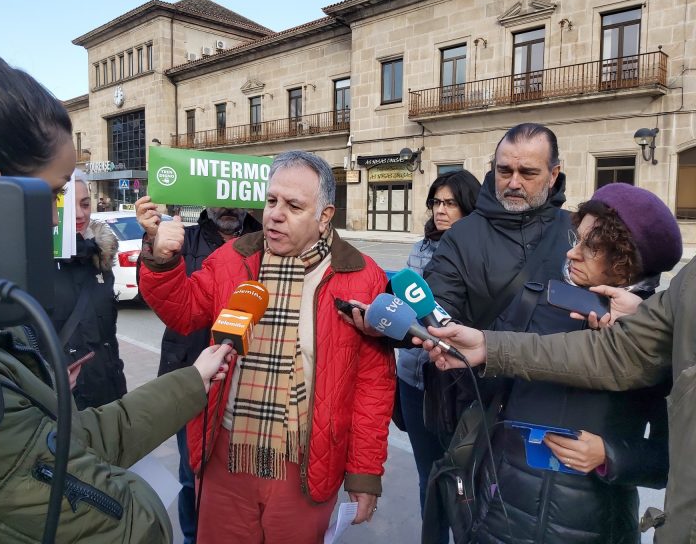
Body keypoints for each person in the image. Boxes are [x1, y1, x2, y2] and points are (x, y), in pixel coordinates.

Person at [0, 53, 232, 543]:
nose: (56, 217)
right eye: (52, 194)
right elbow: (134, 524)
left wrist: (191, 381)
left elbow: (73, 440)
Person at [138, 150, 395, 544]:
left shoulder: (362, 277)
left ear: (325, 216)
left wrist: (364, 473)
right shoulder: (233, 258)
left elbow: (372, 388)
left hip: (306, 463)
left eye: (293, 206)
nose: (275, 214)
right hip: (225, 455)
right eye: (271, 200)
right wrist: (162, 261)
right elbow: (184, 312)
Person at [421, 123, 589, 542]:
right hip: (487, 411)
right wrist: (432, 329)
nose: (513, 182)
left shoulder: (580, 232)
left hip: (564, 413)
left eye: (527, 173)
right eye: (504, 170)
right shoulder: (463, 234)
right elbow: (437, 306)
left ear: (554, 174)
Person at [133, 200, 262, 544]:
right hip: (189, 372)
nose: (230, 209)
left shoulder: (265, 240)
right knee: (193, 472)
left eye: (237, 203)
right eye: (222, 203)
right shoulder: (184, 237)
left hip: (244, 381)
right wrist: (155, 248)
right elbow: (157, 290)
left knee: (242, 473)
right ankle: (193, 537)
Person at [394, 170, 480, 537]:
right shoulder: (422, 248)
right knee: (427, 475)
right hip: (414, 379)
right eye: (436, 203)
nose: (440, 211)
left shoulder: (478, 252)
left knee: (462, 480)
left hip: (459, 383)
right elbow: (406, 307)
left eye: (450, 203)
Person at [51, 169, 127, 409]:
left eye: (85, 204)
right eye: (68, 204)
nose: (79, 213)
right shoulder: (34, 261)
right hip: (65, 400)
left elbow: (107, 335)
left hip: (108, 392)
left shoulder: (100, 258)